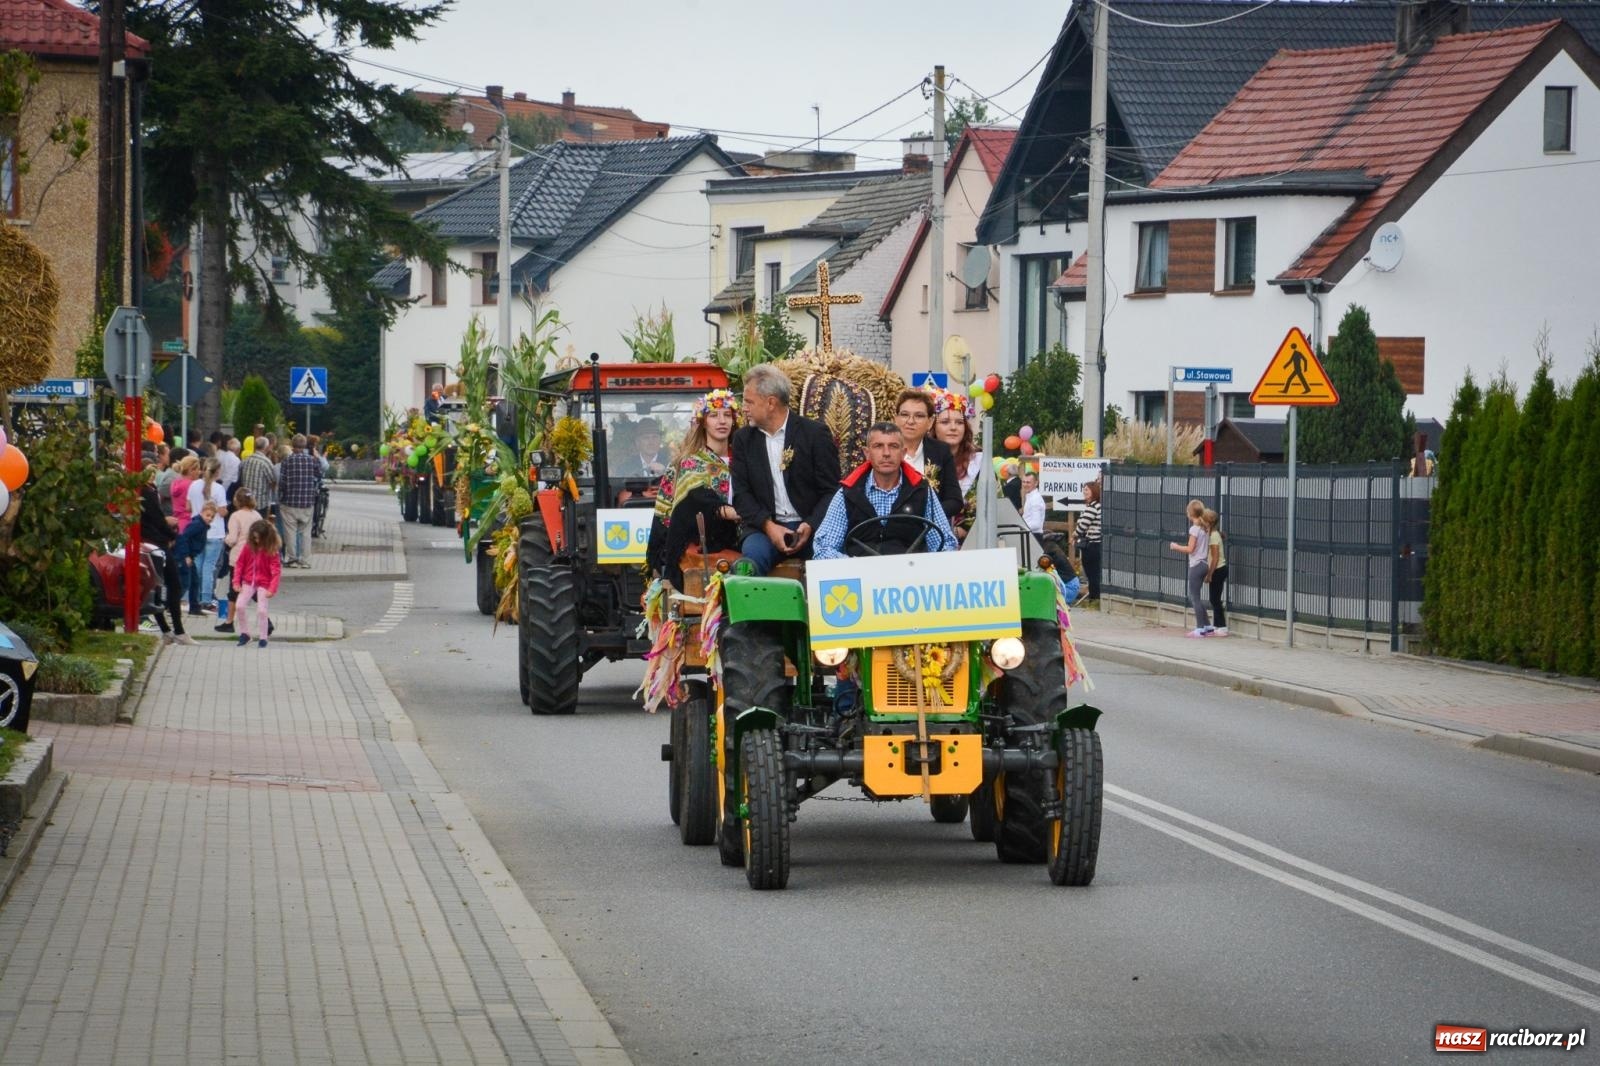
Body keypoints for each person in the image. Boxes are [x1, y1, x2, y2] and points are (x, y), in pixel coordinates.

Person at [731, 363, 841, 574]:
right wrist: (768, 527)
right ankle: (753, 607)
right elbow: (741, 495)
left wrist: (810, 525)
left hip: (812, 527)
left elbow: (832, 491)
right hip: (764, 528)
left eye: (749, 402)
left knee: (830, 560)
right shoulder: (743, 439)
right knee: (748, 565)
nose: (744, 408)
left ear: (770, 402)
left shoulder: (814, 434)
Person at [812, 422, 959, 560]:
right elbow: (823, 549)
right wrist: (856, 565)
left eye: (893, 446)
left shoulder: (922, 491)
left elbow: (946, 544)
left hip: (910, 578)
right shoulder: (847, 493)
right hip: (861, 579)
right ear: (867, 453)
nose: (886, 453)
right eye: (878, 446)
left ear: (903, 453)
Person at [645, 389, 742, 587]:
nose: (722, 421)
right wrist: (726, 511)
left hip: (745, 537)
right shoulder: (689, 463)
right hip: (703, 543)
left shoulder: (744, 460)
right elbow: (695, 497)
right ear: (703, 422)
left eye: (727, 415)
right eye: (714, 415)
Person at [137, 474, 195, 645]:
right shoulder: (147, 492)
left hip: (148, 540)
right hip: (156, 542)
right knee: (172, 584)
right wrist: (172, 533)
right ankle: (177, 630)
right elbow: (157, 520)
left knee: (156, 585)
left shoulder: (141, 491)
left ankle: (167, 630)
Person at [892, 388, 963, 520]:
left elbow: (955, 501)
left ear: (930, 422)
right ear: (896, 419)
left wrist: (925, 514)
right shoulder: (882, 449)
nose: (910, 421)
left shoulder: (941, 452)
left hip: (929, 528)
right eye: (904, 414)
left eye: (919, 416)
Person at [215, 488, 261, 634]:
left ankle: (229, 622)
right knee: (253, 588)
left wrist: (225, 539)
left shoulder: (236, 516)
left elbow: (233, 538)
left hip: (238, 557)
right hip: (254, 556)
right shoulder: (257, 515)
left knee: (234, 589)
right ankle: (267, 620)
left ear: (237, 500)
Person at [187, 458, 229, 614]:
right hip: (215, 531)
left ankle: (194, 597)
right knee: (209, 568)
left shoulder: (193, 485)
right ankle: (206, 599)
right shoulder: (218, 489)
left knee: (197, 565)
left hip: (197, 530)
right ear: (217, 471)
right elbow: (223, 512)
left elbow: (187, 506)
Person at [233, 519, 283, 649]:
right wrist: (236, 581)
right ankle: (245, 633)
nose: (256, 541)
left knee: (262, 610)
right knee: (239, 606)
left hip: (264, 583)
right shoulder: (248, 546)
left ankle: (263, 638)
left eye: (259, 538)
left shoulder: (272, 550)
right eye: (254, 538)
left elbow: (276, 571)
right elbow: (239, 564)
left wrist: (272, 588)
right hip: (248, 581)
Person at [1169, 498, 1212, 636]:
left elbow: (1190, 549)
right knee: (1197, 597)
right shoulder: (1205, 528)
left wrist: (1175, 547)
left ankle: (1200, 628)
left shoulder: (1194, 529)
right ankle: (1207, 625)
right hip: (1204, 563)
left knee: (1194, 597)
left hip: (1196, 565)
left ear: (1190, 513)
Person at [278, 433, 321, 568]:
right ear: (304, 446)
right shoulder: (312, 460)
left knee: (290, 531)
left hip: (290, 501)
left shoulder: (286, 461)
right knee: (305, 532)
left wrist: (281, 496)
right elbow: (319, 474)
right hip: (307, 502)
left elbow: (282, 482)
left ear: (292, 446)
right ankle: (305, 560)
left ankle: (292, 559)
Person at [176, 501, 218, 616]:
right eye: (208, 515)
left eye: (212, 517)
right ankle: (171, 604)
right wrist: (186, 555)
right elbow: (183, 537)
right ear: (202, 513)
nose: (209, 518)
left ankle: (194, 607)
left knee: (194, 581)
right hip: (185, 556)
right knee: (185, 583)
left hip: (191, 556)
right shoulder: (198, 525)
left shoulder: (202, 525)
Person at [1073, 479, 1103, 604]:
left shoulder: (1092, 508)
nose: (1084, 492)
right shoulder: (1099, 506)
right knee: (1095, 572)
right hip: (1098, 544)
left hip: (1091, 545)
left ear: (1094, 491)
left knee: (1091, 573)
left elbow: (1082, 526)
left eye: (1087, 489)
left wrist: (1074, 535)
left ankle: (1094, 599)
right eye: (1083, 489)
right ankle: (1095, 598)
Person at [1203, 507, 1229, 638]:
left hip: (1218, 569)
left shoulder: (1213, 536)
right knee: (1214, 599)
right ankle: (1217, 625)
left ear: (1209, 522)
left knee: (1215, 599)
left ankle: (1222, 627)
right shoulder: (1214, 534)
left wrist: (1209, 574)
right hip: (1220, 569)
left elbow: (1215, 558)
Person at [1020, 466, 1046, 534]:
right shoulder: (1030, 496)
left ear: (1036, 483)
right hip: (1030, 534)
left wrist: (1019, 527)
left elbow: (1036, 524)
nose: (1025, 484)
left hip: (1034, 536)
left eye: (1028, 482)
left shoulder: (1035, 499)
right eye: (1023, 482)